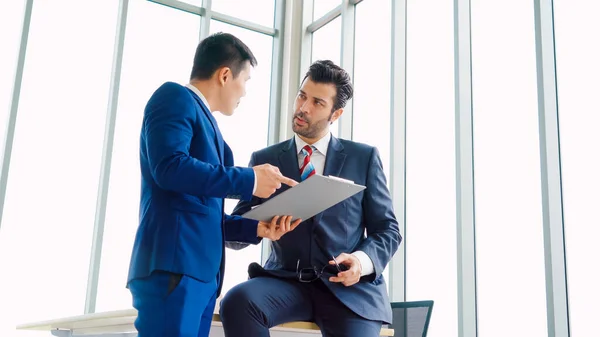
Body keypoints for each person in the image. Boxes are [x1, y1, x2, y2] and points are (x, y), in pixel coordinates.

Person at [126, 32, 301, 337]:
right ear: (224, 75)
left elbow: (202, 212)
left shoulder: (212, 129)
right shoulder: (174, 97)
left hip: (201, 277)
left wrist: (256, 228)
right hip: (175, 269)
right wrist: (250, 179)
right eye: (244, 80)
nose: (244, 92)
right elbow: (169, 167)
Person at [220, 60, 402, 337]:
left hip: (347, 289)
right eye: (302, 95)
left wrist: (361, 262)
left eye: (317, 102)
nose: (303, 107)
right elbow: (234, 233)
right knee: (237, 302)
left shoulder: (363, 158)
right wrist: (261, 227)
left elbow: (387, 230)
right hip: (285, 282)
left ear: (336, 113)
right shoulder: (265, 160)